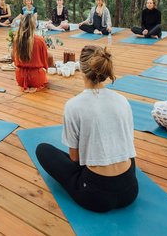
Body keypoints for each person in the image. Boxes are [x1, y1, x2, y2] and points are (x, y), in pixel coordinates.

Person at [35, 45, 138, 213]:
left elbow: (75, 158)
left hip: (96, 195)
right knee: (123, 153)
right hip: (130, 189)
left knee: (43, 150)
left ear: (82, 70)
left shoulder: (73, 105)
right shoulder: (122, 100)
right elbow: (127, 145)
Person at [13, 14, 49, 92]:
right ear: (34, 25)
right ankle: (35, 86)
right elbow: (45, 62)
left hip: (20, 78)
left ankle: (27, 86)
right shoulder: (39, 40)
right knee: (44, 76)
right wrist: (45, 70)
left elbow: (15, 60)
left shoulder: (17, 39)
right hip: (36, 78)